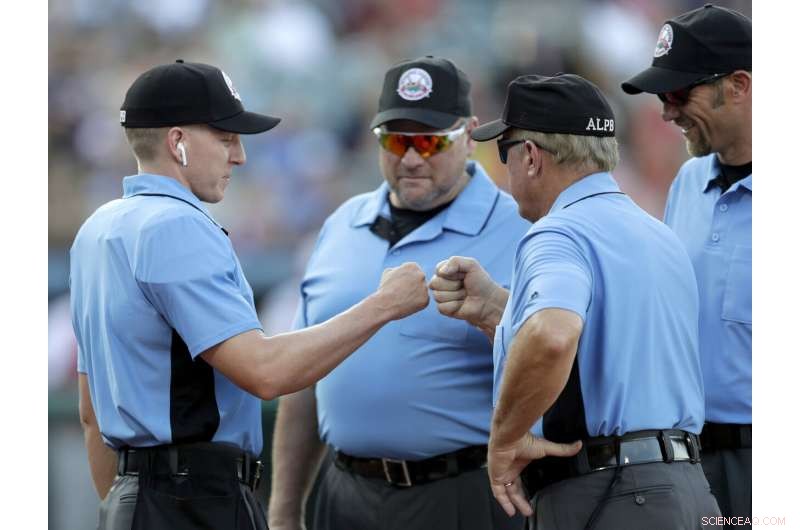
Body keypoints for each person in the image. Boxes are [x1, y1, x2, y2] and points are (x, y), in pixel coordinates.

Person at [70, 60, 430, 530]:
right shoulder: (176, 225)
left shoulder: (96, 230)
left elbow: (91, 415)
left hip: (135, 500)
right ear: (177, 142)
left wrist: (130, 511)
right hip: (196, 500)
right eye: (225, 138)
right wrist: (385, 305)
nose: (238, 156)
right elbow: (265, 371)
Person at [430, 73, 722, 529]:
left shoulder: (558, 232)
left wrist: (506, 438)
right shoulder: (657, 232)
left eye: (505, 150)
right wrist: (496, 310)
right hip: (688, 488)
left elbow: (552, 334)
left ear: (531, 156)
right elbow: (607, 346)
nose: (504, 167)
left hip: (610, 492)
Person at [267, 56, 531, 530]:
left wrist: (497, 315)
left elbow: (561, 362)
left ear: (469, 135)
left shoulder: (520, 227)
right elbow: (303, 379)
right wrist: (284, 511)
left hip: (461, 492)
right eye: (395, 140)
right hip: (343, 492)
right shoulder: (342, 224)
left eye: (429, 140)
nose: (410, 157)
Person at [621, 5, 752, 527]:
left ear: (739, 85)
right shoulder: (688, 183)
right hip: (688, 458)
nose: (667, 113)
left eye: (679, 94)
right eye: (662, 97)